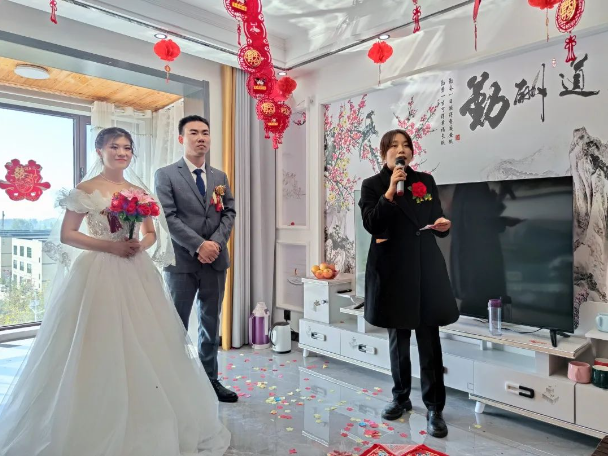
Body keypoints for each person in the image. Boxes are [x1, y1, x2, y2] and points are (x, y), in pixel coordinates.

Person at [0, 127, 231, 455]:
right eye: (114, 147)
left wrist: (140, 246)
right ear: (100, 151)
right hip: (98, 270)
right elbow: (68, 234)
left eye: (127, 147)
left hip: (135, 269)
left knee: (147, 341)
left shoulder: (139, 191)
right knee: (99, 340)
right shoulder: (86, 189)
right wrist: (111, 247)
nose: (122, 153)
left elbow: (151, 234)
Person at [358, 129, 459, 438]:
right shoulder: (372, 185)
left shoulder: (425, 181)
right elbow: (372, 223)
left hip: (425, 269)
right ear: (383, 153)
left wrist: (442, 225)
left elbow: (436, 219)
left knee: (429, 341)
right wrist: (391, 190)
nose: (401, 150)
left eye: (406, 145)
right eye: (394, 146)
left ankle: (434, 409)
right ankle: (401, 397)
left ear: (412, 152)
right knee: (398, 341)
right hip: (392, 272)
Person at [155, 116, 237, 403]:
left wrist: (215, 244)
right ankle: (175, 383)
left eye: (205, 133)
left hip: (216, 259)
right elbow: (168, 217)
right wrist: (199, 245)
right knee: (176, 324)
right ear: (182, 138)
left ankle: (210, 380)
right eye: (193, 133)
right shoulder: (165, 174)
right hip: (181, 261)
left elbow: (228, 212)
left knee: (210, 322)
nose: (201, 137)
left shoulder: (219, 177)